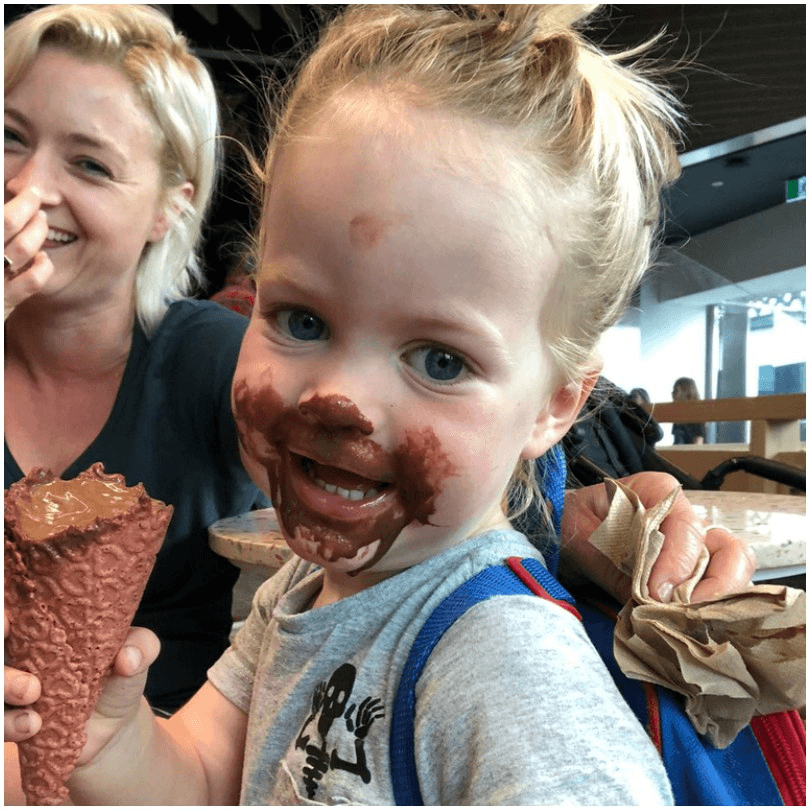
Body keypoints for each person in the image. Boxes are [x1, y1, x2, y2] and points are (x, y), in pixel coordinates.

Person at [2, 4, 762, 805]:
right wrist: (111, 740)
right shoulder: (302, 589)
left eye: (440, 360)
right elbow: (195, 778)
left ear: (555, 404)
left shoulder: (503, 664)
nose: (339, 399)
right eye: (302, 320)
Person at [3, 3, 269, 715]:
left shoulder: (216, 361)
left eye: (89, 164)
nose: (28, 189)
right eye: (8, 136)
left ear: (168, 209)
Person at [671, 376, 707, 444]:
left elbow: (698, 440)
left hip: (691, 452)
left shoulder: (697, 414)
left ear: (687, 393)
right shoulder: (677, 415)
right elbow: (677, 440)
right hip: (679, 451)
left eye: (676, 390)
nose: (672, 393)